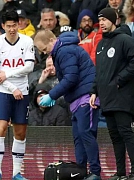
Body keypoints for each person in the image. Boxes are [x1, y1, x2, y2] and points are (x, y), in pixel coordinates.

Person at [34, 30, 101, 180]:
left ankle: (95, 172)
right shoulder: (61, 51)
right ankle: (82, 171)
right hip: (77, 99)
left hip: (86, 97)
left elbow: (71, 77)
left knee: (86, 134)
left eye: (45, 49)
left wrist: (52, 95)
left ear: (52, 40)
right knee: (78, 137)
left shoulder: (64, 50)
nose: (45, 53)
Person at [0, 10, 35, 180]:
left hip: (22, 91)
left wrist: (8, 74)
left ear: (19, 24)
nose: (12, 29)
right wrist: (11, 87)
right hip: (3, 91)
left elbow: (29, 67)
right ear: (3, 26)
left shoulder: (27, 41)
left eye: (14, 25)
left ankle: (16, 172)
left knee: (20, 132)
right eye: (8, 26)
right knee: (0, 127)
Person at [90, 8, 134, 180]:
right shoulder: (100, 44)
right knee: (115, 137)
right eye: (99, 20)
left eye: (105, 20)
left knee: (126, 134)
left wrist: (119, 80)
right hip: (106, 97)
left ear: (113, 21)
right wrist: (94, 91)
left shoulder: (124, 39)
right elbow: (99, 72)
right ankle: (121, 172)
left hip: (122, 96)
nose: (101, 23)